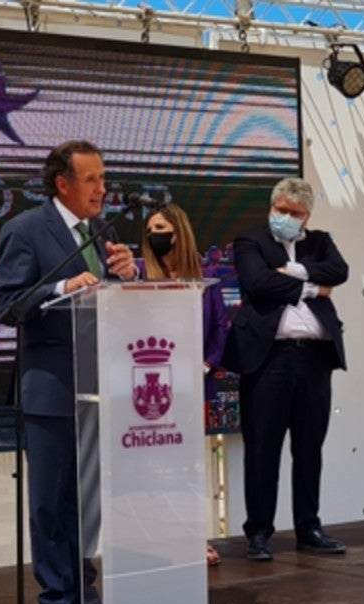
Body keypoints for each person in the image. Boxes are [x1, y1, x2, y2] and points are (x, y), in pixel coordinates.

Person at [0, 140, 138, 604]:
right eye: (92, 179)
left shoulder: (104, 231)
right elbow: (5, 304)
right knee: (52, 501)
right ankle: (56, 600)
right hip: (51, 386)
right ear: (63, 183)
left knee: (88, 500)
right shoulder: (26, 230)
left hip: (100, 385)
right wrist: (60, 289)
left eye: (103, 177)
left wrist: (127, 276)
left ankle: (85, 594)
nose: (102, 188)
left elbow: (108, 304)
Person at [222, 177, 349, 562]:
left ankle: (308, 526)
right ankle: (259, 531)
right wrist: (312, 286)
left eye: (295, 214)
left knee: (309, 446)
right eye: (281, 211)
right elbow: (256, 283)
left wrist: (289, 272)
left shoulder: (320, 241)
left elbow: (339, 271)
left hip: (314, 358)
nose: (286, 218)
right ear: (271, 206)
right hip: (269, 358)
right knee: (263, 448)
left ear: (307, 215)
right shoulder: (251, 241)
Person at [140, 204, 229, 566]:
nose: (152, 234)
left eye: (159, 226)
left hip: (191, 388)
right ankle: (158, 539)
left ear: (178, 231)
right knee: (153, 467)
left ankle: (194, 538)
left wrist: (206, 366)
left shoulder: (204, 279)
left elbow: (220, 328)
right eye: (148, 228)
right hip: (149, 389)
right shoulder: (139, 275)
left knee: (187, 468)